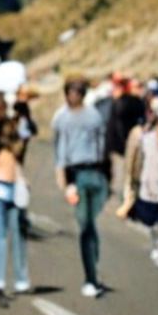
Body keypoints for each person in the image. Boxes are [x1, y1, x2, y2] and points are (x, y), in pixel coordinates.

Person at [53, 76, 110, 297]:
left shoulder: (93, 116)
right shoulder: (61, 118)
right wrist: (63, 180)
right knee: (84, 224)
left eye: (78, 91)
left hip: (94, 171)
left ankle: (93, 266)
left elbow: (102, 144)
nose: (74, 95)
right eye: (71, 91)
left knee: (91, 222)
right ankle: (90, 277)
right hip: (75, 173)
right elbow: (59, 150)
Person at [117, 95, 158, 266]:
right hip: (145, 184)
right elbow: (131, 163)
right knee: (149, 218)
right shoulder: (139, 134)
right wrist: (129, 192)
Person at [0, 92, 31, 300]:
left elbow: (23, 145)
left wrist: (22, 116)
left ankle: (22, 280)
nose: (2, 110)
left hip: (13, 184)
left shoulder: (12, 128)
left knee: (18, 234)